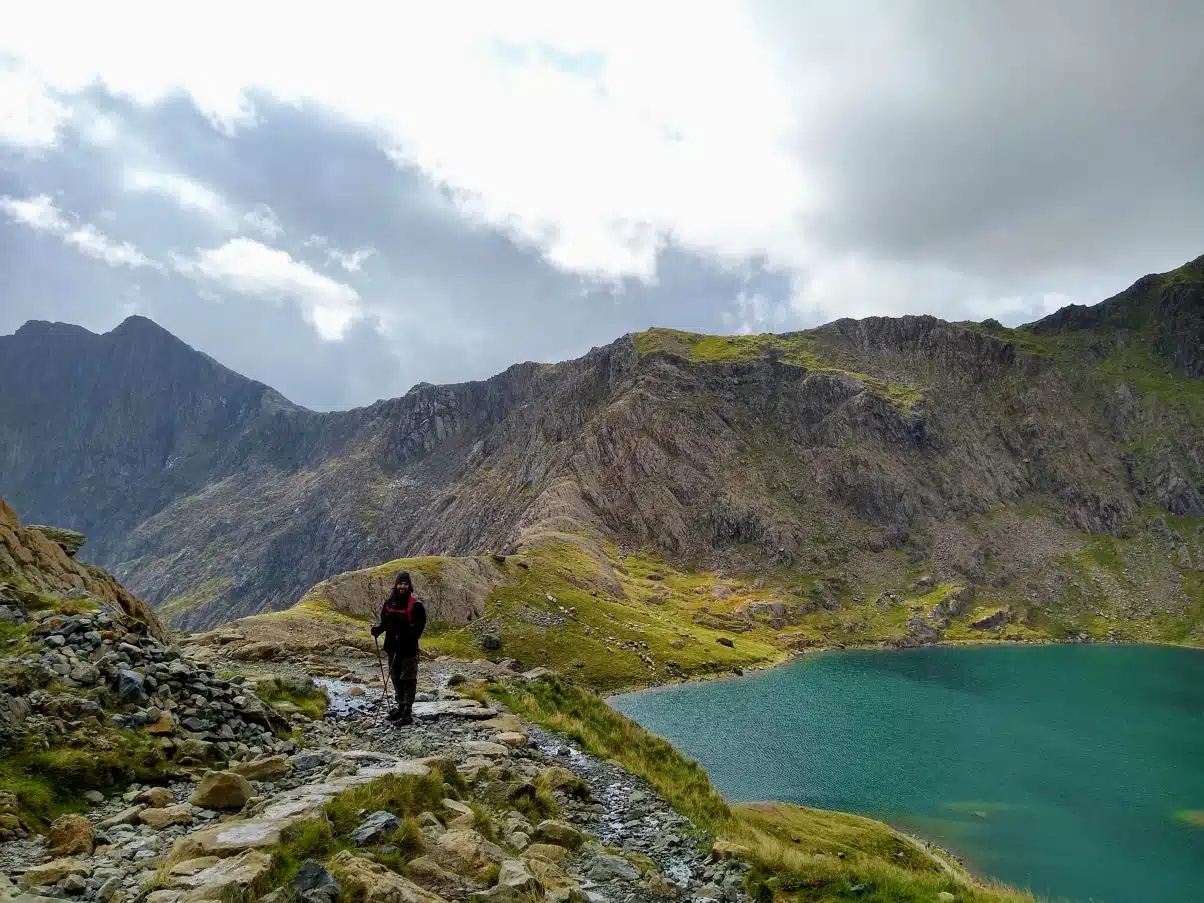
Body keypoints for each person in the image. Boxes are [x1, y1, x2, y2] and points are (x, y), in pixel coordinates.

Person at [371, 570, 427, 725]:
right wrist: (378, 630)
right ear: (395, 585)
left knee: (408, 679)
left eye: (405, 583)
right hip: (392, 647)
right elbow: (385, 622)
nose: (402, 586)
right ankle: (400, 707)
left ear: (410, 586)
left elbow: (418, 629)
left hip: (408, 649)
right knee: (395, 677)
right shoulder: (390, 603)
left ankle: (407, 713)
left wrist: (406, 637)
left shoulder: (415, 606)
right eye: (400, 583)